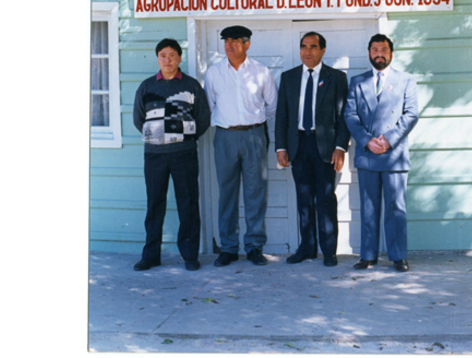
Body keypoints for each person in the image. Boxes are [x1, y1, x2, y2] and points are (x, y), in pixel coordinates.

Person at [132, 38, 211, 271]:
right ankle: (151, 256)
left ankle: (189, 255)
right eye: (163, 55)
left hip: (184, 154)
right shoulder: (146, 87)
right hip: (155, 155)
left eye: (172, 55)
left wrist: (183, 138)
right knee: (155, 204)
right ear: (158, 58)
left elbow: (203, 118)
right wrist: (159, 136)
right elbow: (139, 120)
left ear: (179, 57)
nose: (168, 59)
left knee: (188, 204)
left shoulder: (191, 86)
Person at [344, 34, 419, 272]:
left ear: (391, 53)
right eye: (375, 49)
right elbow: (350, 115)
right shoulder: (358, 81)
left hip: (394, 154)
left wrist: (388, 140)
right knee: (369, 207)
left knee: (396, 208)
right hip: (368, 154)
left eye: (384, 49)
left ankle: (398, 256)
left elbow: (411, 114)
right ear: (369, 53)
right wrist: (368, 141)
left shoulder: (406, 80)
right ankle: (368, 255)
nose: (379, 53)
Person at [204, 25, 277, 267]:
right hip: (225, 137)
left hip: (254, 135)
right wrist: (229, 123)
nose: (229, 45)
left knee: (256, 192)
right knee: (227, 193)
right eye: (226, 40)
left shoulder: (260, 71)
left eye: (235, 41)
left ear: (247, 44)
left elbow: (271, 105)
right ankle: (228, 248)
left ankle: (254, 246)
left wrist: (251, 124)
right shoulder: (214, 73)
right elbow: (209, 105)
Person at [275, 32, 350, 267]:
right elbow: (282, 117)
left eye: (313, 47)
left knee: (326, 199)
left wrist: (340, 147)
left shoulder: (336, 78)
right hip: (298, 144)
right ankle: (307, 248)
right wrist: (281, 147)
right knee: (304, 199)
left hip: (325, 145)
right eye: (304, 47)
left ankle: (329, 251)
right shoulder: (288, 78)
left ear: (323, 50)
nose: (308, 51)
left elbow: (343, 116)